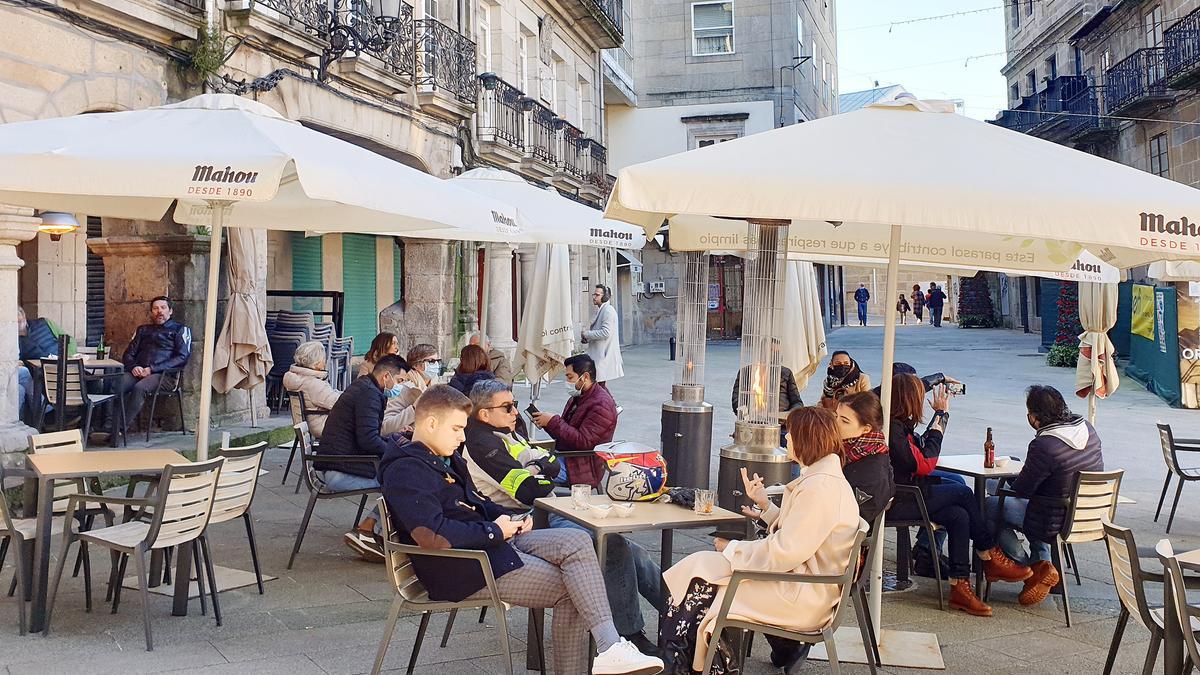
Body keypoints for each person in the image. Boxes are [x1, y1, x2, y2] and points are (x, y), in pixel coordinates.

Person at [379, 385, 664, 675]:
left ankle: (610, 648)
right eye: (456, 429)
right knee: (576, 589)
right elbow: (432, 536)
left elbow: (477, 503)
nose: (462, 437)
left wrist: (508, 520)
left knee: (578, 540)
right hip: (466, 566)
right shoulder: (407, 469)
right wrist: (494, 531)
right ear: (430, 423)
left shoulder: (441, 455)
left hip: (488, 546)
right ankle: (605, 651)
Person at [463, 379, 664, 651]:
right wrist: (541, 470)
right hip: (525, 520)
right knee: (614, 546)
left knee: (630, 550)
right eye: (508, 407)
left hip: (548, 506)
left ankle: (682, 616)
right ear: (484, 414)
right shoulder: (481, 443)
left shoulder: (507, 431)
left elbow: (548, 463)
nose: (515, 412)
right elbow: (528, 490)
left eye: (515, 405)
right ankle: (631, 635)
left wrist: (540, 469)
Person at [659, 408, 862, 674]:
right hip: (802, 583)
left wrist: (733, 549)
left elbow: (786, 550)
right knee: (701, 571)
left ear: (806, 439)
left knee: (704, 586)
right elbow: (803, 534)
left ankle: (686, 662)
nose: (786, 439)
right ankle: (687, 662)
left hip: (803, 594)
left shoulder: (821, 488)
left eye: (791, 434)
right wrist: (766, 506)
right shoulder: (822, 481)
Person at [886, 373, 1030, 617]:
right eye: (918, 397)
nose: (921, 401)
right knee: (963, 492)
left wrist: (940, 403)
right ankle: (989, 553)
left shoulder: (899, 424)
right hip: (898, 499)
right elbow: (924, 463)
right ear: (908, 400)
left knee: (958, 516)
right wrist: (941, 416)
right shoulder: (893, 430)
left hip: (911, 493)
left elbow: (922, 455)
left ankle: (960, 586)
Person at [985, 385, 1104, 606]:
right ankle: (1043, 565)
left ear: (1034, 417)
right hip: (1086, 514)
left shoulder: (1044, 444)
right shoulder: (1088, 429)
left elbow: (1022, 489)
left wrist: (1001, 481)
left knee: (987, 506)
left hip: (1053, 518)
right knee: (1026, 499)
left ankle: (1027, 567)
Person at [318, 354, 410, 562]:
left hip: (343, 463)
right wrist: (398, 451)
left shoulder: (366, 389)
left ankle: (373, 528)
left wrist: (395, 440)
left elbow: (369, 434)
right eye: (400, 381)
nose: (400, 386)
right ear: (387, 376)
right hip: (339, 471)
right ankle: (368, 529)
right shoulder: (368, 394)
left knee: (403, 475)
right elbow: (368, 440)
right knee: (404, 482)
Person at [531, 354, 616, 489]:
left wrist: (552, 422)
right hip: (568, 456)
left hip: (581, 467)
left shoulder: (601, 405)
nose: (567, 381)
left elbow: (583, 441)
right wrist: (546, 423)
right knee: (526, 455)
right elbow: (566, 434)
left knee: (528, 468)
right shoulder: (577, 397)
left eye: (570, 377)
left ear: (585, 377)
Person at [115, 296, 192, 437]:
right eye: (155, 308)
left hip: (164, 376)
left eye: (163, 308)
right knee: (116, 385)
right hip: (137, 372)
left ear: (170, 311)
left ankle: (118, 429)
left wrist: (152, 369)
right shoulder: (143, 330)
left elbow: (182, 357)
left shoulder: (180, 330)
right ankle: (107, 425)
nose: (159, 312)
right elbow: (128, 354)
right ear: (151, 312)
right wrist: (134, 366)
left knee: (140, 388)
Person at [834, 392, 895, 524]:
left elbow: (854, 517)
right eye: (836, 416)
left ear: (866, 429)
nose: (835, 423)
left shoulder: (872, 469)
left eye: (844, 421)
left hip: (839, 535)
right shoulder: (846, 452)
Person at [282, 340, 343, 438]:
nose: (324, 361)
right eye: (323, 358)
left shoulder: (298, 378)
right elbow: (340, 403)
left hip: (310, 424)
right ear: (315, 363)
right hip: (324, 425)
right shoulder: (313, 384)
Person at [583, 284, 624, 383]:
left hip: (604, 356)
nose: (594, 297)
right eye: (594, 294)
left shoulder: (608, 311)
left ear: (605, 297)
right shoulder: (603, 310)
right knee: (599, 387)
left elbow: (605, 333)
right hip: (600, 355)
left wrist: (587, 334)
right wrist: (587, 338)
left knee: (598, 387)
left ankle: (609, 400)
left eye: (597, 295)